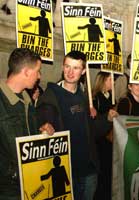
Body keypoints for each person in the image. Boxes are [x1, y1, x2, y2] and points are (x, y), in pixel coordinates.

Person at [36, 51, 116, 200]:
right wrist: (42, 128)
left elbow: (91, 131)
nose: (70, 72)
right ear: (62, 67)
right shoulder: (50, 97)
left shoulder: (83, 96)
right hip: (66, 172)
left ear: (84, 71)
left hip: (88, 170)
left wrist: (107, 119)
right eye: (67, 66)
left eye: (76, 68)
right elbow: (39, 130)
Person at [0, 48, 54, 200]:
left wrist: (40, 132)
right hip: (7, 190)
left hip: (29, 185)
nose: (39, 76)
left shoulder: (27, 101)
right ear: (26, 72)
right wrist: (15, 172)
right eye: (38, 71)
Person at [92, 71, 114, 200]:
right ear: (103, 81)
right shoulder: (95, 98)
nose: (113, 82)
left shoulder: (111, 97)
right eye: (111, 79)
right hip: (100, 142)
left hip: (110, 140)